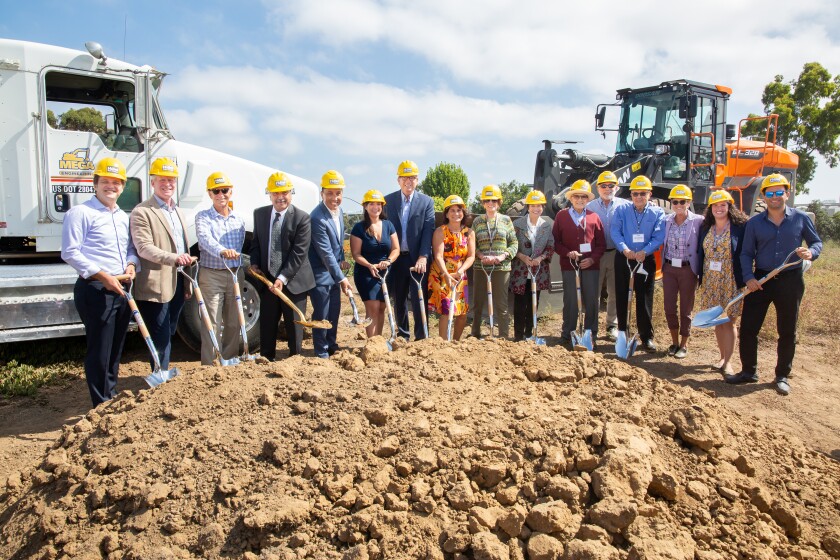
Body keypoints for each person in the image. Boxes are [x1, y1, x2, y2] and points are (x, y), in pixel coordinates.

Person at [726, 174, 822, 395]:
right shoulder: (754, 223)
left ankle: (781, 376)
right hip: (760, 280)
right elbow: (746, 253)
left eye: (780, 192)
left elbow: (816, 242)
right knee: (749, 328)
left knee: (787, 330)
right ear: (763, 196)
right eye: (770, 193)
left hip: (790, 280)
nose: (775, 197)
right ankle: (748, 371)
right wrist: (749, 277)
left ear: (787, 194)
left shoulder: (800, 218)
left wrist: (811, 252)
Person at [61, 158, 139, 407]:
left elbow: (130, 248)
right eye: (105, 181)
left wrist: (131, 264)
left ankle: (111, 395)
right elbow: (70, 252)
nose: (110, 186)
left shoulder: (122, 216)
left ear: (123, 187)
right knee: (100, 348)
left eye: (116, 183)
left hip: (121, 286)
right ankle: (100, 403)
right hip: (96, 288)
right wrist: (103, 276)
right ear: (95, 184)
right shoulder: (80, 213)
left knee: (116, 348)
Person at [129, 157, 192, 372]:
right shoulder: (142, 211)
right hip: (155, 284)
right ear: (152, 182)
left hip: (177, 281)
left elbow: (183, 245)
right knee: (159, 335)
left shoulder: (177, 211)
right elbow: (143, 247)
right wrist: (173, 258)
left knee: (169, 331)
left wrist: (186, 282)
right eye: (162, 180)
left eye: (171, 180)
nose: (167, 184)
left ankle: (162, 373)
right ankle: (159, 377)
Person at [250, 171, 315, 361]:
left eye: (284, 192)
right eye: (276, 193)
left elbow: (299, 253)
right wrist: (254, 263)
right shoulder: (260, 214)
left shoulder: (302, 218)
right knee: (268, 324)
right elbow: (256, 244)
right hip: (268, 279)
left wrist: (282, 278)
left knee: (294, 325)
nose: (280, 197)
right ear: (269, 194)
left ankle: (295, 361)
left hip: (293, 281)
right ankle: (266, 360)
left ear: (291, 193)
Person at [194, 172, 246, 365]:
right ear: (210, 194)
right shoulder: (203, 217)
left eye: (224, 190)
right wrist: (223, 251)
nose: (221, 194)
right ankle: (211, 364)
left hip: (234, 275)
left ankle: (230, 360)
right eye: (216, 191)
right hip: (212, 274)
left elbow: (241, 245)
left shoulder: (238, 220)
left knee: (234, 322)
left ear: (230, 192)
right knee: (211, 322)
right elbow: (205, 239)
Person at [611, 175, 666, 352]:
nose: (639, 197)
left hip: (645, 259)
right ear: (631, 195)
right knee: (621, 295)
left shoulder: (657, 212)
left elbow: (659, 236)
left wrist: (645, 251)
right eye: (635, 193)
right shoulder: (622, 210)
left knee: (644, 298)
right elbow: (615, 231)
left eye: (643, 193)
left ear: (650, 194)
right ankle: (621, 332)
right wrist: (624, 249)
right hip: (624, 257)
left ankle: (646, 336)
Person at [697, 190, 747, 375]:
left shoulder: (740, 227)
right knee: (717, 321)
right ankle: (721, 357)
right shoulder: (705, 227)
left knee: (730, 321)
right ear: (710, 208)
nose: (719, 208)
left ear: (729, 206)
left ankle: (728, 362)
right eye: (715, 205)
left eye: (723, 205)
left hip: (731, 279)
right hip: (711, 279)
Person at [384, 160, 436, 341]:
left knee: (419, 298)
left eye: (412, 178)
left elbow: (428, 230)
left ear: (417, 180)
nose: (409, 182)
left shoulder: (426, 202)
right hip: (397, 259)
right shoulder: (387, 201)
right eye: (405, 178)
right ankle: (403, 335)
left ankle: (422, 337)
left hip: (417, 260)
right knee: (398, 299)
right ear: (398, 180)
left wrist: (423, 256)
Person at [552, 180, 606, 348]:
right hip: (569, 266)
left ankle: (590, 335)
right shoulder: (561, 216)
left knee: (591, 301)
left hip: (590, 267)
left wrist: (592, 259)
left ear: (587, 199)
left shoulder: (594, 217)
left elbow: (601, 244)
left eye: (583, 197)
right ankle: (567, 334)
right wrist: (568, 253)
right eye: (577, 196)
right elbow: (556, 242)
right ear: (571, 198)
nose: (580, 200)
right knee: (570, 301)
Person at [309, 170, 352, 358]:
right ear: (322, 194)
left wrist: (342, 260)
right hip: (320, 274)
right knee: (322, 313)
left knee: (334, 311)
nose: (335, 198)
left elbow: (337, 244)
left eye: (338, 193)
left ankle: (331, 344)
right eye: (330, 193)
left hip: (334, 272)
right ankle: (321, 351)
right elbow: (325, 253)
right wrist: (342, 278)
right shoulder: (317, 218)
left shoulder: (339, 212)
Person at [586, 171, 630, 341]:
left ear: (617, 188)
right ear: (597, 188)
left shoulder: (625, 205)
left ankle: (612, 325)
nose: (607, 188)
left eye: (611, 185)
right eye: (603, 186)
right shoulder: (590, 207)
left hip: (617, 254)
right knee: (594, 292)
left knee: (614, 292)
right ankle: (592, 326)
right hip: (596, 255)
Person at [350, 190, 400, 337]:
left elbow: (396, 249)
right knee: (373, 307)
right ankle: (371, 344)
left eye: (379, 204)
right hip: (366, 272)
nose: (375, 207)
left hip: (385, 272)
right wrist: (370, 265)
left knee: (382, 307)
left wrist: (389, 261)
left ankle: (379, 341)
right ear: (365, 206)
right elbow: (356, 254)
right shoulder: (359, 228)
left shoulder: (388, 225)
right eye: (371, 204)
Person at [470, 184, 518, 339]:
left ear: (499, 202)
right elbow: (472, 244)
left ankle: (503, 337)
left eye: (494, 200)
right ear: (483, 203)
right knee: (477, 303)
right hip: (481, 267)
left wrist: (502, 256)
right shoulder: (477, 221)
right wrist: (480, 255)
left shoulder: (506, 220)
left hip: (501, 268)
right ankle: (475, 334)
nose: (491, 203)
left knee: (501, 304)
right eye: (487, 200)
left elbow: (514, 243)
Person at [661, 185, 703, 358]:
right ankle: (674, 342)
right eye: (675, 201)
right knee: (669, 306)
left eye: (682, 201)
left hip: (688, 269)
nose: (678, 205)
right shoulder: (667, 221)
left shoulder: (699, 221)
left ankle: (684, 345)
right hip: (669, 268)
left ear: (689, 202)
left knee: (686, 308)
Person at [428, 195, 475, 340]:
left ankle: (456, 342)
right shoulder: (440, 231)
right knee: (447, 309)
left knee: (462, 313)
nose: (456, 213)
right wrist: (447, 275)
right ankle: (443, 343)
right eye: (452, 210)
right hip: (442, 274)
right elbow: (438, 256)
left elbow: (471, 256)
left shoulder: (469, 233)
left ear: (463, 212)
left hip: (460, 274)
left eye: (459, 210)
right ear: (447, 214)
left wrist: (460, 271)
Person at [511, 190, 554, 341]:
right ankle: (518, 335)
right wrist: (522, 256)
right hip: (521, 271)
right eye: (533, 205)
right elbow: (511, 245)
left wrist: (541, 258)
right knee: (519, 304)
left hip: (538, 270)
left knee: (533, 303)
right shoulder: (517, 224)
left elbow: (550, 246)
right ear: (528, 207)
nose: (537, 208)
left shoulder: (546, 226)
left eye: (539, 205)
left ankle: (529, 333)